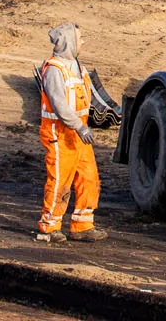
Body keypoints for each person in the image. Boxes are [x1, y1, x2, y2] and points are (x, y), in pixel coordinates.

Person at [35, 22, 105, 243]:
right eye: (80, 38)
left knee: (89, 177)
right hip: (61, 134)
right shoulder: (55, 70)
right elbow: (59, 104)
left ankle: (83, 224)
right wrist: (79, 126)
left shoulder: (76, 66)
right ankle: (49, 226)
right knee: (60, 180)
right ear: (69, 42)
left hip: (78, 133)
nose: (82, 42)